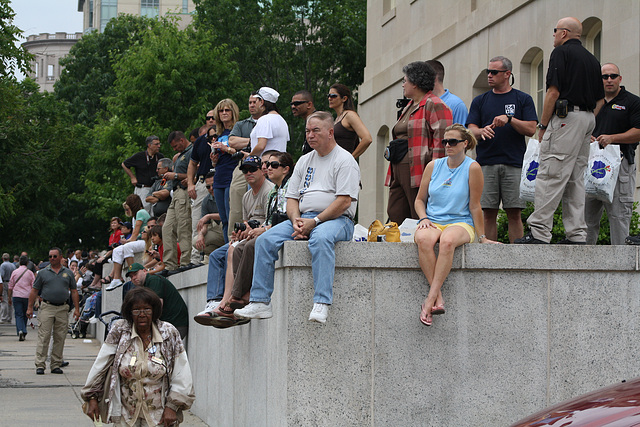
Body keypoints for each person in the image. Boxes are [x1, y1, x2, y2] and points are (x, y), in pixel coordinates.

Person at [234, 111, 360, 324]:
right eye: (307, 131)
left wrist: (315, 222)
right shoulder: (304, 160)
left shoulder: (345, 160)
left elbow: (344, 202)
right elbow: (291, 199)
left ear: (330, 132)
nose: (310, 135)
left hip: (338, 220)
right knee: (263, 241)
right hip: (304, 218)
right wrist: (296, 221)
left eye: (315, 131)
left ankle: (321, 302)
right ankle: (261, 302)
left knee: (320, 239)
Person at [517, 17, 604, 244]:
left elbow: (553, 92)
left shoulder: (560, 53)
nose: (554, 35)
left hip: (567, 119)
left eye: (555, 31)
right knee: (576, 178)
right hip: (587, 118)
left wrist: (543, 126)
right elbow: (600, 99)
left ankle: (539, 232)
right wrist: (585, 119)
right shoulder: (593, 60)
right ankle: (576, 234)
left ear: (564, 33)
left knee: (550, 174)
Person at [414, 124, 497, 326]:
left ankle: (429, 300)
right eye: (445, 141)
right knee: (424, 240)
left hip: (460, 221)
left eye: (453, 141)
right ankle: (438, 297)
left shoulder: (472, 167)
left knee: (448, 242)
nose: (447, 145)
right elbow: (419, 200)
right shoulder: (433, 166)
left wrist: (482, 237)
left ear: (465, 143)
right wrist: (423, 218)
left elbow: (475, 206)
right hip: (432, 220)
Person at [81, 287, 194, 426]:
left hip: (159, 416)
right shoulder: (120, 330)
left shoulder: (168, 332)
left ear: (154, 311)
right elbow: (101, 364)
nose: (142, 314)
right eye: (136, 310)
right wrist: (91, 397)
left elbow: (182, 373)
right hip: (126, 414)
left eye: (147, 309)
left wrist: (172, 406)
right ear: (129, 313)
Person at [194, 155, 274, 323]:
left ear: (262, 170)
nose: (248, 173)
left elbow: (271, 222)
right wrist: (240, 232)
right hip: (249, 236)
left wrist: (251, 230)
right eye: (245, 170)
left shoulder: (269, 190)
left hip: (263, 234)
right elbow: (246, 222)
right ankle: (214, 301)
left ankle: (229, 302)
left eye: (253, 169)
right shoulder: (246, 196)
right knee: (216, 255)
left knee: (233, 249)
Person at [467, 56, 538, 242]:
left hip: (514, 163)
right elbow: (470, 129)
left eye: (494, 72)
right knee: (487, 212)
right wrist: (481, 130)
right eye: (488, 72)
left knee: (514, 212)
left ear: (507, 74)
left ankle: (516, 256)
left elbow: (531, 129)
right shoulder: (480, 101)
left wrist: (510, 119)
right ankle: (489, 254)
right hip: (486, 164)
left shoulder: (522, 99)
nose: (489, 76)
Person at [386, 61, 453, 224]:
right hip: (398, 168)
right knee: (395, 213)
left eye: (405, 81)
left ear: (415, 83)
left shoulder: (435, 104)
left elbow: (442, 142)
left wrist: (435, 174)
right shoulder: (409, 106)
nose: (403, 85)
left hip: (419, 170)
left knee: (417, 214)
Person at [583, 64, 640, 245]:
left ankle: (621, 267)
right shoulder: (590, 103)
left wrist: (612, 138)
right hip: (592, 165)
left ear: (620, 79)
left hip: (620, 166)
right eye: (605, 77)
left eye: (613, 76)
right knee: (586, 219)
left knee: (619, 217)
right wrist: (587, 137)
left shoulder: (632, 102)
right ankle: (582, 264)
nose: (609, 80)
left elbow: (638, 131)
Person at [27, 247, 80, 375]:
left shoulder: (68, 273)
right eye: (50, 256)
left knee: (60, 337)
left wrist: (77, 309)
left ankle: (56, 364)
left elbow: (74, 291)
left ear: (61, 257)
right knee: (44, 336)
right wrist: (29, 307)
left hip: (62, 308)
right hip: (47, 307)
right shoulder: (43, 273)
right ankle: (40, 364)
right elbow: (34, 290)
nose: (52, 259)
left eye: (55, 256)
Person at [187, 108, 224, 264]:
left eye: (213, 117)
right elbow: (192, 163)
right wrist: (190, 183)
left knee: (226, 218)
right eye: (207, 118)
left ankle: (213, 257)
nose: (210, 120)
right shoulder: (201, 141)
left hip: (222, 180)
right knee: (198, 221)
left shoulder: (227, 136)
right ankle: (195, 260)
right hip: (203, 182)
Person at [227, 92, 263, 242]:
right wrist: (254, 140)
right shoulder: (242, 124)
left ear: (263, 103)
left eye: (255, 102)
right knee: (236, 205)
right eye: (249, 102)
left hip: (266, 166)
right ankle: (232, 240)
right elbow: (232, 141)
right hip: (243, 166)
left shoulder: (269, 121)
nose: (252, 105)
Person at [125, 263, 189, 339]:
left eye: (135, 274)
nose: (134, 278)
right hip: (166, 325)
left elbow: (157, 307)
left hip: (175, 325)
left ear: (145, 271)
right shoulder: (144, 285)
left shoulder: (153, 280)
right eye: (131, 276)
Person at [207, 99, 241, 242]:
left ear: (233, 112)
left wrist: (225, 148)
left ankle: (234, 249)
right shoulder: (219, 133)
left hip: (233, 176)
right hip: (219, 176)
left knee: (232, 216)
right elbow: (218, 161)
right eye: (221, 111)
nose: (224, 113)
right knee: (224, 218)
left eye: (227, 110)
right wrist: (214, 159)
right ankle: (228, 250)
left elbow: (242, 153)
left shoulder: (238, 130)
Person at [104, 194, 151, 290]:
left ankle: (133, 271)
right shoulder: (136, 216)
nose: (126, 211)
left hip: (146, 241)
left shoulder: (140, 213)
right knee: (117, 250)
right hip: (140, 240)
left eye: (127, 208)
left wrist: (127, 242)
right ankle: (117, 278)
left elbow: (134, 235)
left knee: (127, 247)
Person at [162, 131, 194, 272]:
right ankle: (170, 264)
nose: (174, 149)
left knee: (183, 227)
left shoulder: (191, 151)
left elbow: (193, 172)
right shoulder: (180, 155)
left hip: (184, 192)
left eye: (176, 146)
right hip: (175, 194)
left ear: (182, 140)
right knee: (167, 228)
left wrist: (174, 175)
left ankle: (186, 262)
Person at [328, 83, 373, 158]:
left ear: (344, 99)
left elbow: (367, 138)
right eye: (328, 96)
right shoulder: (336, 119)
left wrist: (351, 158)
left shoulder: (350, 115)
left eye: (333, 96)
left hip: (344, 165)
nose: (330, 98)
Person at [121, 136, 164, 213]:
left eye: (159, 144)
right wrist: (132, 177)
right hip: (144, 188)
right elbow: (124, 164)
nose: (159, 146)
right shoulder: (139, 156)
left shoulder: (160, 157)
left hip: (156, 188)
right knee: (143, 211)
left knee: (155, 212)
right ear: (149, 145)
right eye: (156, 144)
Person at [248, 87, 290, 156]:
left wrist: (249, 157)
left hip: (265, 164)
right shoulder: (282, 120)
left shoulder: (264, 119)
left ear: (262, 102)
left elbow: (261, 146)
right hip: (279, 163)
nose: (254, 105)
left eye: (256, 102)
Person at [426, 59, 469, 126]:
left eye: (423, 77)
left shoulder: (457, 105)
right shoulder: (421, 103)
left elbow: (461, 135)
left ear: (434, 77)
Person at [194, 171, 225, 258]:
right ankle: (220, 255)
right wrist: (200, 234)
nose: (211, 188)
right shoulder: (206, 201)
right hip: (219, 232)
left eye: (213, 185)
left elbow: (228, 215)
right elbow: (205, 225)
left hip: (229, 229)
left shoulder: (227, 194)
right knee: (196, 241)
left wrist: (209, 215)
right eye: (208, 187)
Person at [8, 255, 36, 341]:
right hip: (27, 296)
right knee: (25, 314)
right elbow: (34, 286)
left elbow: (10, 286)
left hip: (17, 295)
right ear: (27, 263)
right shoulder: (30, 273)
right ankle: (23, 330)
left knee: (18, 314)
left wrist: (9, 297)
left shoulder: (15, 272)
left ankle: (20, 330)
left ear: (19, 262)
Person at [292, 90, 317, 155]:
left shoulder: (318, 121)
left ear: (309, 104)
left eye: (297, 103)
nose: (293, 107)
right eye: (292, 104)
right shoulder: (308, 121)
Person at [0, 252, 16, 323]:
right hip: (12, 283)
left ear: (3, 258)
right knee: (10, 300)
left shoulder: (3, 265)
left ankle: (4, 318)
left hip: (5, 282)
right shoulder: (12, 265)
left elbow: (2, 275)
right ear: (9, 258)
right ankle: (9, 317)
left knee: (4, 300)